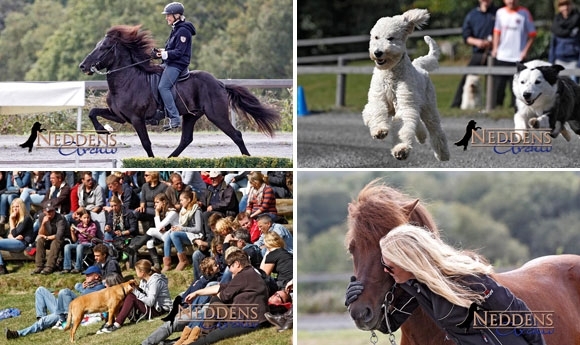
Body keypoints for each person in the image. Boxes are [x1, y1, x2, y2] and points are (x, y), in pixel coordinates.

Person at [345, 224, 547, 345]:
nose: (387, 272)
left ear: (408, 261)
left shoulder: (467, 279)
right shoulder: (417, 287)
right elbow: (387, 325)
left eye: (389, 266)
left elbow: (518, 312)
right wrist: (355, 303)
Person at [180, 250, 270, 345]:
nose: (229, 269)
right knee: (215, 303)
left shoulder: (243, 276)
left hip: (248, 321)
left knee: (213, 331)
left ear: (237, 264)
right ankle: (202, 335)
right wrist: (197, 293)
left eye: (230, 266)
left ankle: (201, 337)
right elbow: (221, 287)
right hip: (253, 318)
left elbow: (223, 296)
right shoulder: (250, 273)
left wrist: (214, 298)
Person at [5, 266, 105, 339]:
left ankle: (18, 333)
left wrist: (81, 288)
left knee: (64, 292)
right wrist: (81, 286)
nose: (86, 277)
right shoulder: (88, 286)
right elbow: (77, 286)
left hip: (71, 314)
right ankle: (41, 318)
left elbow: (82, 295)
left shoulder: (99, 288)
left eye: (88, 275)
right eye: (86, 275)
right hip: (65, 308)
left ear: (96, 276)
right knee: (40, 290)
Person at [141, 257, 222, 345]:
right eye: (215, 265)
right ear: (209, 270)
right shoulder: (200, 282)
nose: (218, 266)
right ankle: (146, 343)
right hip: (192, 310)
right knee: (171, 324)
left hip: (201, 313)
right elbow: (187, 294)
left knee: (190, 331)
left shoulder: (217, 282)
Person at [98, 259, 172, 333]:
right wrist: (136, 289)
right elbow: (143, 294)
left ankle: (117, 324)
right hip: (153, 308)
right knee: (126, 295)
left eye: (136, 270)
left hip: (160, 310)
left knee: (131, 296)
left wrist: (135, 291)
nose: (135, 272)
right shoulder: (144, 280)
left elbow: (150, 302)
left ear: (142, 272)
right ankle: (111, 322)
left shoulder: (155, 281)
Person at [155, 2, 196, 131]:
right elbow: (171, 48)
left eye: (168, 15)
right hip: (170, 62)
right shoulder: (176, 28)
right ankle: (161, 112)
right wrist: (159, 52)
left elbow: (179, 52)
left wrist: (164, 54)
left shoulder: (183, 30)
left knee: (163, 87)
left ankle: (174, 117)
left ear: (177, 15)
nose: (166, 17)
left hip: (178, 65)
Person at [451, 0, 499, 108]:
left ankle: (494, 106)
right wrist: (478, 42)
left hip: (494, 53)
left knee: (494, 81)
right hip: (478, 53)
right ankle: (457, 104)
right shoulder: (472, 15)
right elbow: (466, 35)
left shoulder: (498, 13)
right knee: (468, 78)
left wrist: (493, 42)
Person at [491, 0, 536, 109]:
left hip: (518, 57)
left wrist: (525, 51)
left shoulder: (524, 13)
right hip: (502, 56)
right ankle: (497, 107)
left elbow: (532, 34)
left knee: (517, 86)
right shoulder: (500, 12)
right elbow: (497, 32)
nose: (511, 1)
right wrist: (495, 48)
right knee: (498, 86)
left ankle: (515, 108)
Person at [164, 189, 203, 272]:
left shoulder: (196, 211)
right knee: (169, 234)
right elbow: (182, 225)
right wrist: (176, 227)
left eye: (182, 200)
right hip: (186, 234)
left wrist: (181, 229)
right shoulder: (183, 210)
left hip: (195, 236)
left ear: (188, 200)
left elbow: (198, 229)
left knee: (174, 234)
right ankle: (167, 263)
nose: (180, 202)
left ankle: (183, 260)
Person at [32, 201, 68, 275]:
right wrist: (43, 223)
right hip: (49, 238)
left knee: (56, 241)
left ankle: (49, 266)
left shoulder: (60, 218)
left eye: (51, 211)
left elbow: (59, 235)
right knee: (40, 241)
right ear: (44, 211)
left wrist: (47, 237)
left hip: (63, 240)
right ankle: (39, 266)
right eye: (48, 211)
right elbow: (41, 233)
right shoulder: (42, 216)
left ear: (54, 210)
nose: (50, 213)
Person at [0, 198, 34, 274]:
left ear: (21, 207)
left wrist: (11, 220)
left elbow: (14, 233)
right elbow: (9, 234)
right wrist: (14, 238)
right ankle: (2, 266)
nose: (15, 209)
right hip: (16, 241)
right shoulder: (16, 218)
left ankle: (1, 267)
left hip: (23, 243)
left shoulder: (26, 218)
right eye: (13, 207)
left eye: (17, 206)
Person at [549, 0, 580, 83]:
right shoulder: (556, 24)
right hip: (559, 61)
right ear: (559, 7)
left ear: (572, 5)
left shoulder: (578, 21)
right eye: (562, 5)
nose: (565, 8)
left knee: (574, 90)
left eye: (568, 4)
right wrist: (551, 64)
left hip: (574, 62)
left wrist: (579, 64)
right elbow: (553, 46)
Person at [147, 193, 179, 271]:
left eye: (157, 202)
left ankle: (135, 246)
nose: (155, 205)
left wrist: (156, 212)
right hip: (167, 234)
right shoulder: (164, 212)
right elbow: (161, 227)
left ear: (164, 202)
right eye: (155, 203)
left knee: (151, 230)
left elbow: (158, 227)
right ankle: (157, 265)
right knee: (149, 242)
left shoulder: (172, 212)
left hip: (174, 236)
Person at [200, 171, 238, 235]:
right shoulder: (210, 188)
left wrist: (213, 207)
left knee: (206, 215)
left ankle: (209, 236)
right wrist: (200, 203)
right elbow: (204, 199)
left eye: (214, 178)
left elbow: (227, 203)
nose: (212, 180)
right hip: (212, 211)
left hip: (224, 212)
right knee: (198, 212)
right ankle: (202, 235)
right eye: (211, 178)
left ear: (220, 177)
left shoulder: (227, 188)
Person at [62, 208, 97, 274]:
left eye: (88, 218)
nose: (86, 220)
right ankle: (67, 267)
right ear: (80, 218)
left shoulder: (93, 225)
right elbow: (74, 240)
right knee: (67, 246)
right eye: (84, 218)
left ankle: (78, 267)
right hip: (79, 243)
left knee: (79, 246)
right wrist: (72, 231)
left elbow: (92, 238)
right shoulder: (79, 225)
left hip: (89, 243)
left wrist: (85, 233)